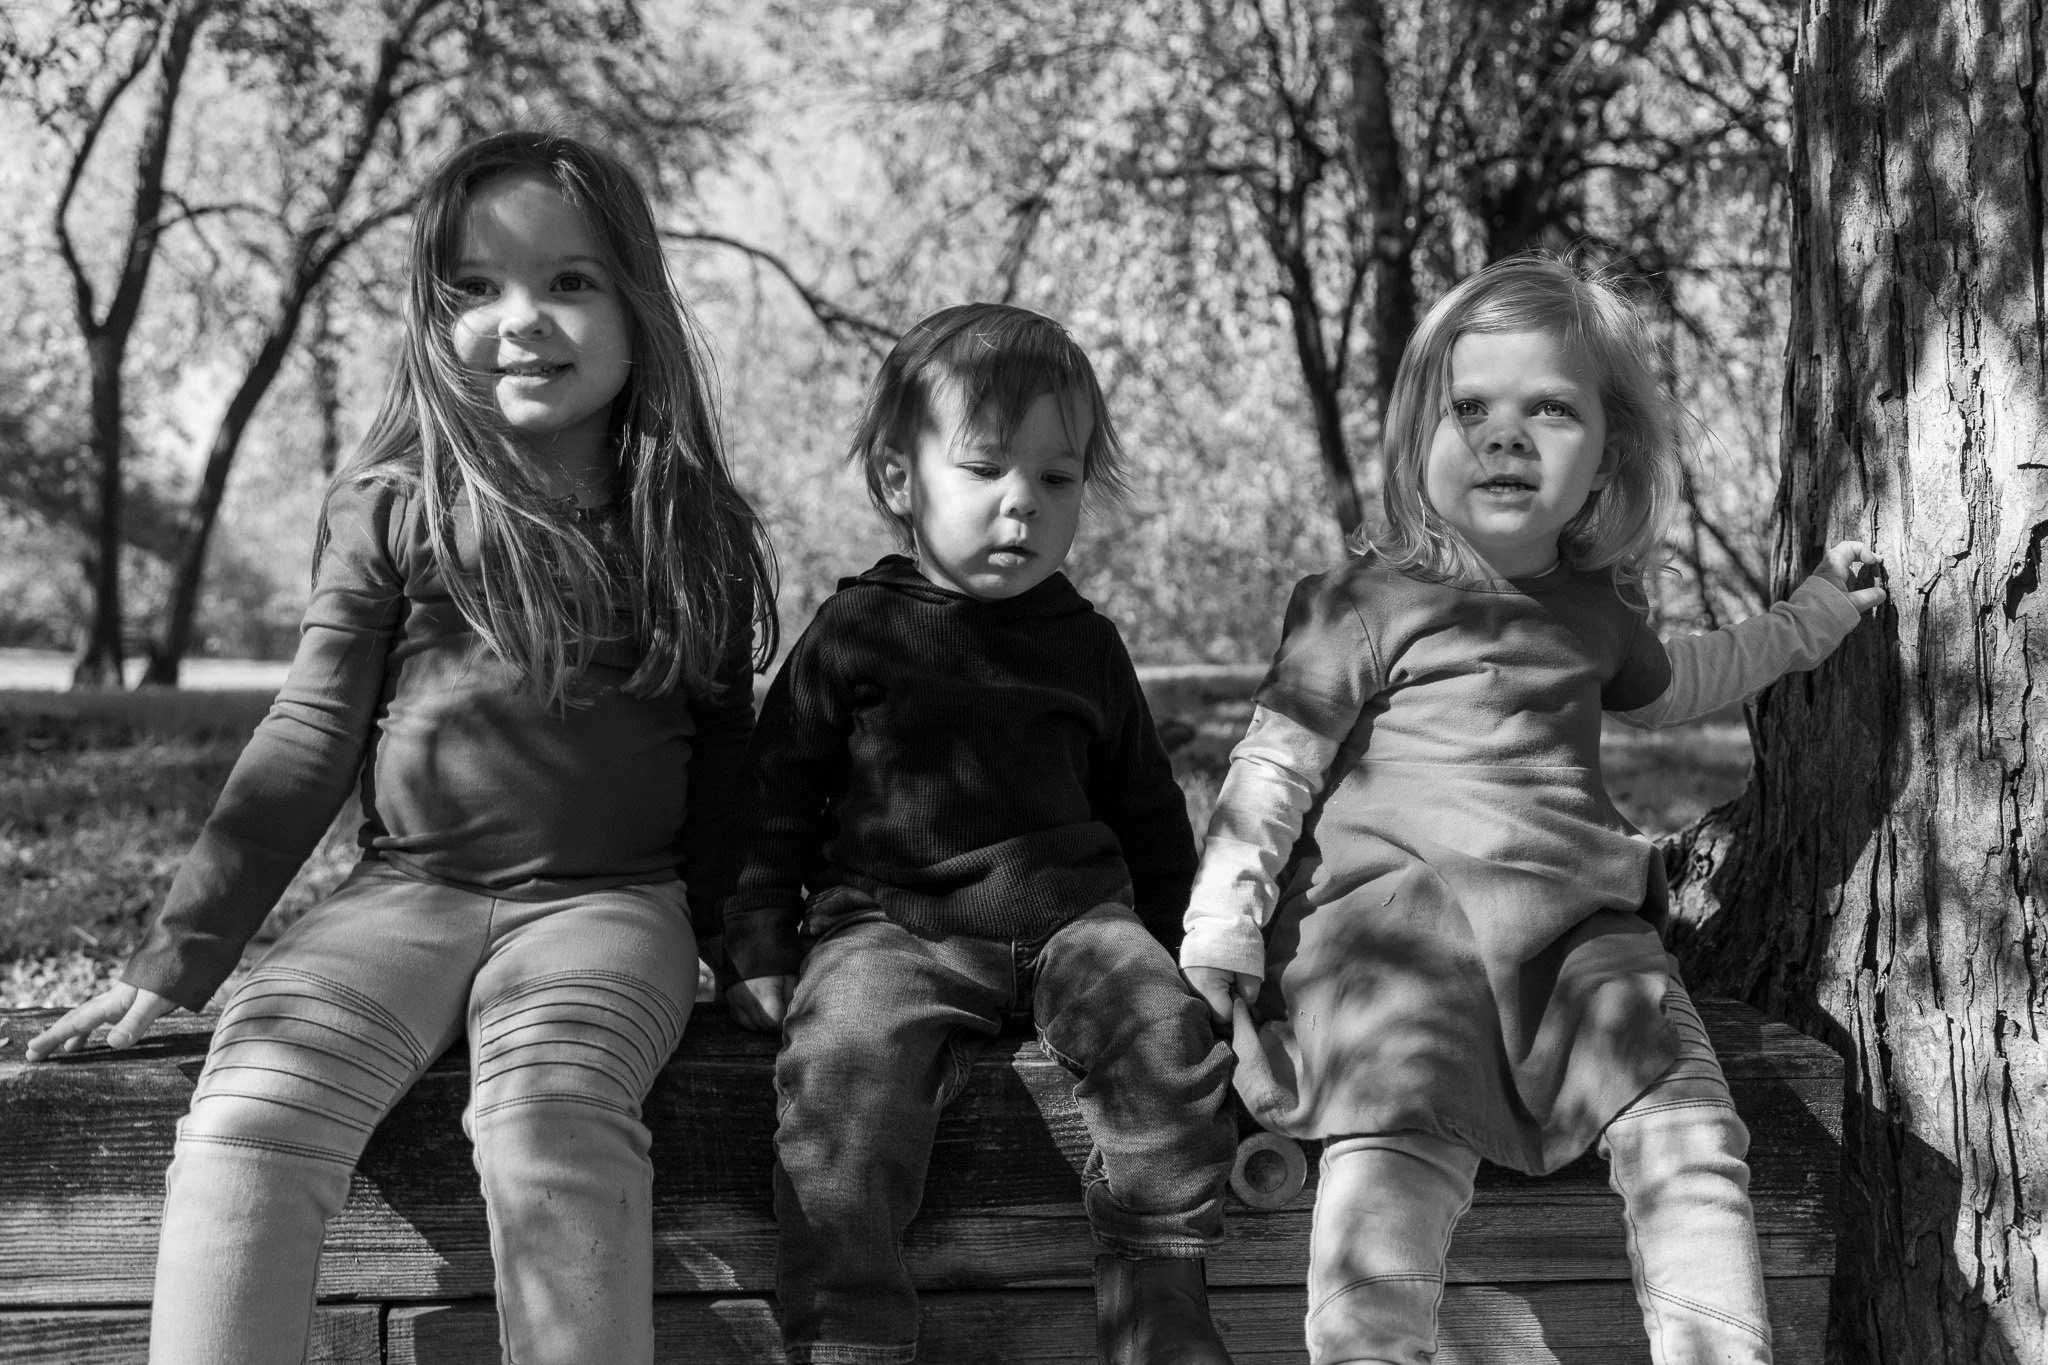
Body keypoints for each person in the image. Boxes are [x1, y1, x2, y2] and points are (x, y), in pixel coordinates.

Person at [26, 129, 777, 1365]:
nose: (520, 319)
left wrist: (747, 944)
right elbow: (311, 728)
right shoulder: (390, 499)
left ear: (638, 307)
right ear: (432, 318)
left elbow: (728, 758)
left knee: (553, 1119)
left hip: (609, 908)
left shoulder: (686, 522)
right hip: (403, 901)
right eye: (473, 287)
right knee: (249, 1115)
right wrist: (185, 949)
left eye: (570, 281)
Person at [1179, 254, 1886, 1365]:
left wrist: (1813, 618)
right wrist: (1221, 926)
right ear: (1416, 437)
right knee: (1391, 1173)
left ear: (1609, 454)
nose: (1505, 436)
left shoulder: (1592, 610)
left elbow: (1687, 682)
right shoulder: (1360, 602)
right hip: (1398, 938)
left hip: (1575, 936)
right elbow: (1272, 767)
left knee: (1692, 1131)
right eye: (1469, 409)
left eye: (1550, 409)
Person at [723, 303, 1239, 1365]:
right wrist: (759, 940)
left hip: (1075, 922)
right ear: (898, 478)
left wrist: (1180, 949)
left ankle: (1158, 1296)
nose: (1022, 504)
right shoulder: (857, 630)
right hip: (891, 924)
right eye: (984, 469)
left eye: (1056, 478)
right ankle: (846, 1334)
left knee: (1165, 1040)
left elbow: (1146, 808)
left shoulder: (1084, 642)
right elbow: (773, 796)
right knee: (842, 1079)